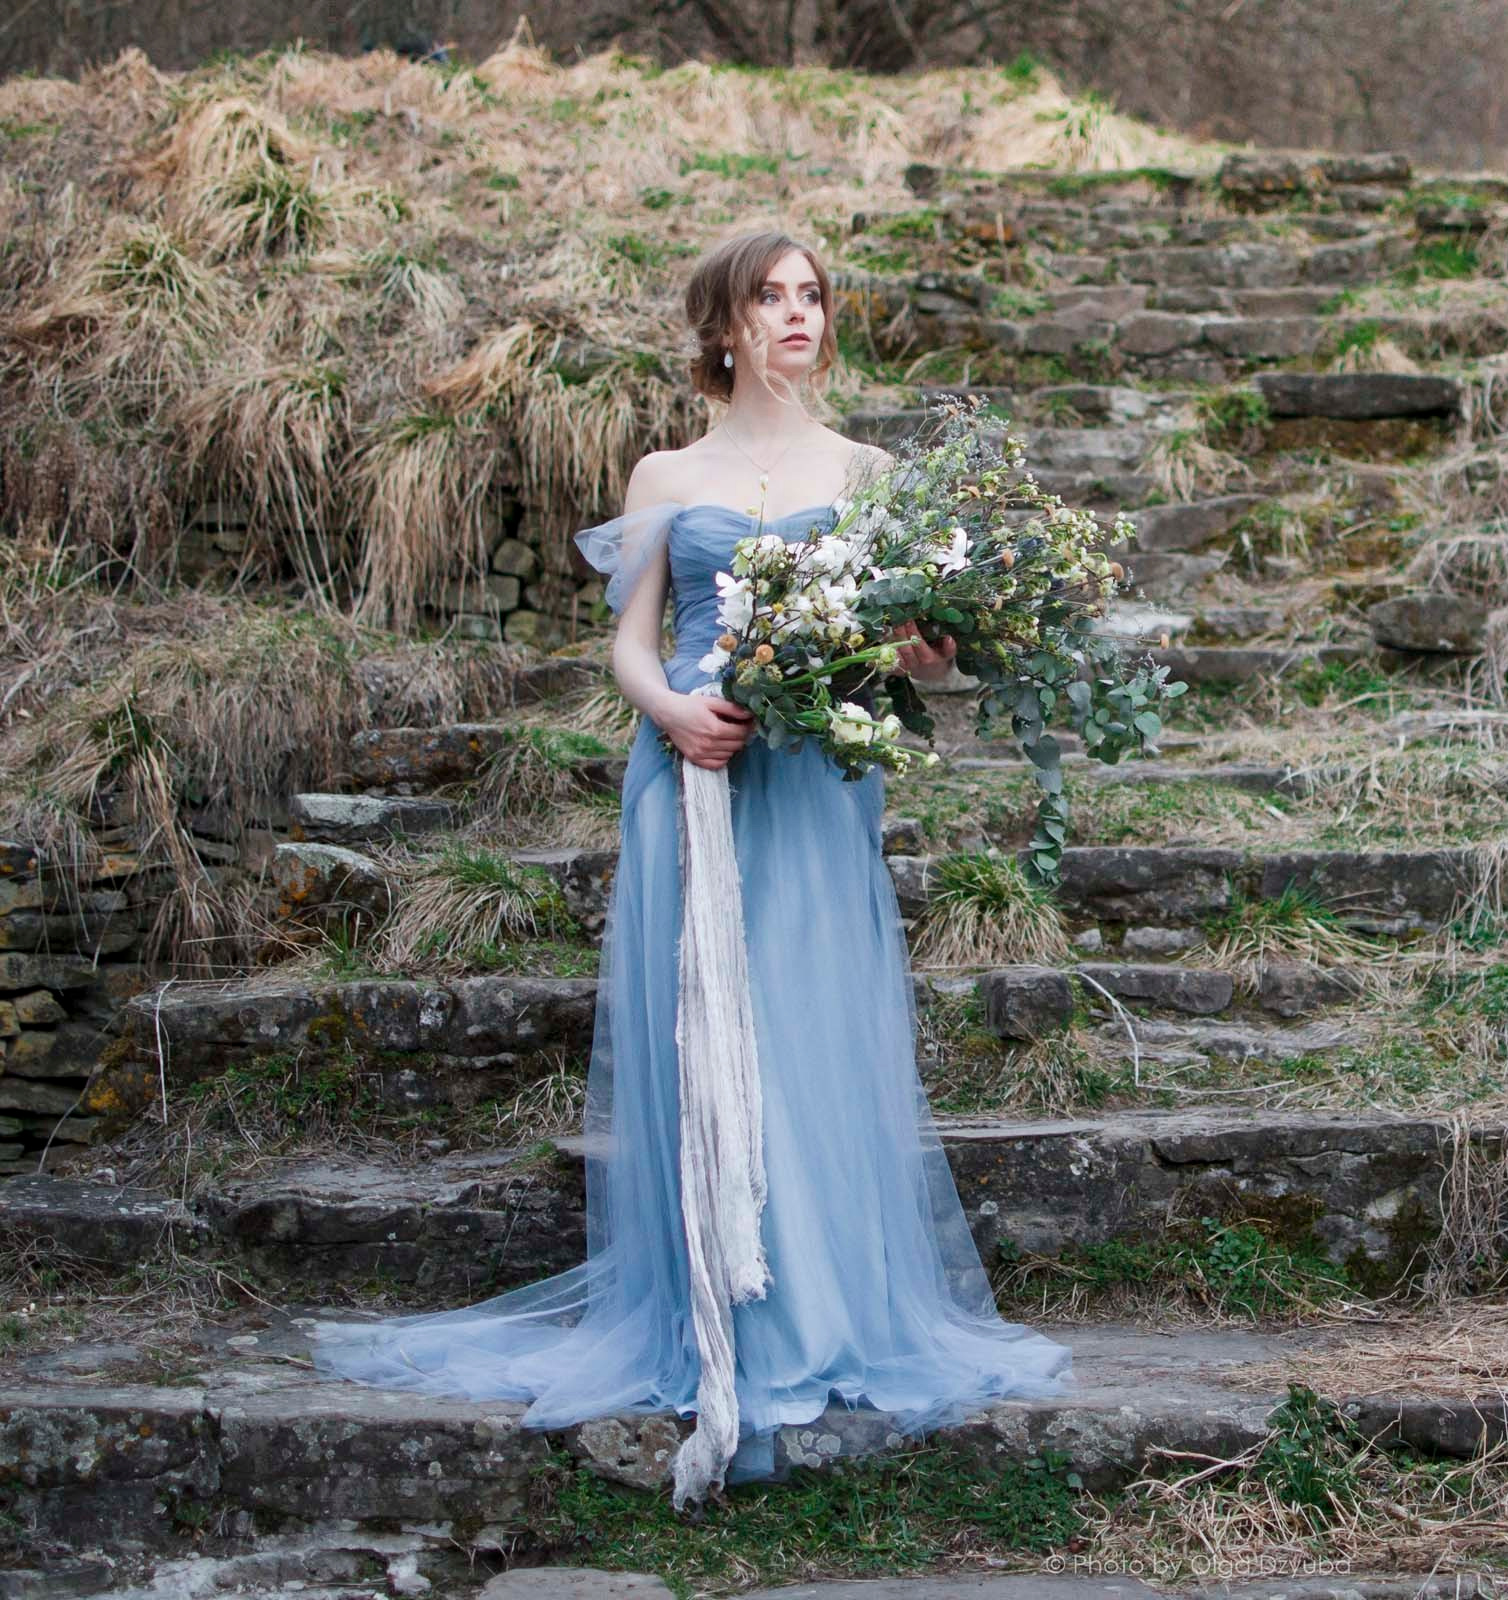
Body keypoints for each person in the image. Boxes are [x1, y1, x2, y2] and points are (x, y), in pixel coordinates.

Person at [306, 230, 1074, 1509]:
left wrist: (927, 653)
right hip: (695, 775)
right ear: (722, 325)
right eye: (768, 296)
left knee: (806, 1036)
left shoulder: (870, 472)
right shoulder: (668, 469)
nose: (795, 314)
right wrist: (670, 714)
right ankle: (711, 1314)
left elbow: (903, 649)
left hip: (814, 786)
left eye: (812, 295)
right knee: (707, 1036)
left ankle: (818, 1311)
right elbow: (630, 643)